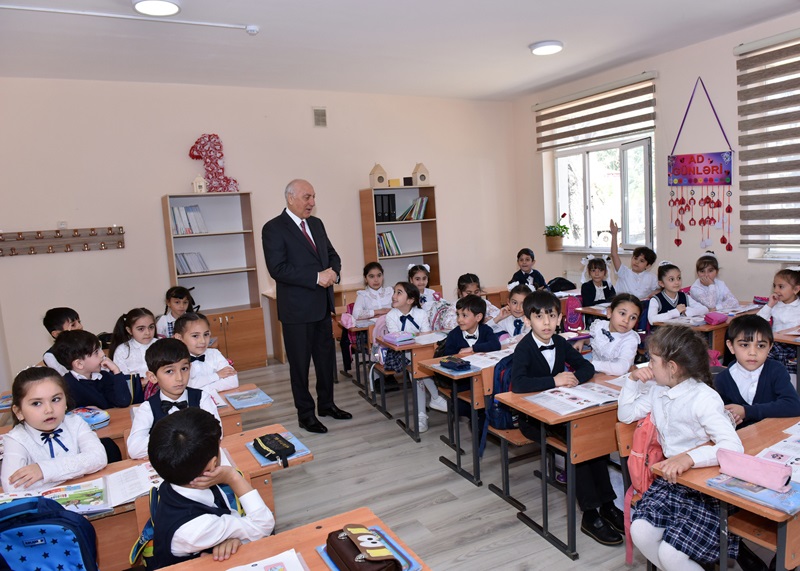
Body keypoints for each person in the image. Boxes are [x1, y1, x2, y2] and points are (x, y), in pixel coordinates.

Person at [618, 325, 744, 571]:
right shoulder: (658, 390)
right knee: (639, 531)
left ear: (672, 367)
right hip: (673, 482)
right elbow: (626, 414)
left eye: (652, 360)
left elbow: (732, 447)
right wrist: (631, 380)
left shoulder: (703, 398)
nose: (648, 365)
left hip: (706, 489)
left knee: (671, 555)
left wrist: (689, 458)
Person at [510, 290, 623, 546]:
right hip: (533, 419)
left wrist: (571, 381)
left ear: (560, 318)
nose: (546, 322)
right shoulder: (524, 347)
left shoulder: (559, 342)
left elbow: (587, 367)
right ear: (527, 320)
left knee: (592, 441)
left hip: (561, 411)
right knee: (579, 444)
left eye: (551, 316)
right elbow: (519, 384)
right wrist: (554, 381)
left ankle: (607, 505)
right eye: (539, 317)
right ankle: (590, 514)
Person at [262, 179, 350, 434]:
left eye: (313, 197)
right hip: (296, 311)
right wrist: (315, 277)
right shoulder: (273, 228)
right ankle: (306, 414)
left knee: (325, 360)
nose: (312, 202)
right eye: (307, 197)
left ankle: (327, 405)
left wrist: (334, 272)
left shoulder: (317, 224)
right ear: (291, 198)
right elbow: (278, 269)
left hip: (322, 306)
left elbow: (332, 254)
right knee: (300, 366)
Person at [147, 407, 274, 568]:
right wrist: (232, 476)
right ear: (212, 464)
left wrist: (234, 537)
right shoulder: (195, 529)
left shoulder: (180, 479)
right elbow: (264, 525)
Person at [1, 367, 107, 492]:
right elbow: (13, 487)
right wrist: (78, 470)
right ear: (19, 411)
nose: (49, 410)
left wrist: (43, 470)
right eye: (36, 403)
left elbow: (99, 457)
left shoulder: (76, 423)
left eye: (56, 399)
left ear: (66, 401)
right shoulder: (15, 440)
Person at [127, 338, 222, 459]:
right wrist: (184, 437)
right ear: (152, 377)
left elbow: (216, 433)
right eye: (169, 371)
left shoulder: (202, 398)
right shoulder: (147, 408)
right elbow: (134, 449)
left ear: (190, 368)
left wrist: (162, 445)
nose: (179, 378)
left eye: (184, 369)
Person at [716, 314, 800, 429]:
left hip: (772, 433)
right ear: (731, 346)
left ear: (769, 347)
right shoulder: (722, 380)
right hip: (741, 437)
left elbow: (794, 405)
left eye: (760, 346)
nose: (753, 352)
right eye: (744, 345)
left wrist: (747, 411)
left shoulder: (776, 370)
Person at [384, 281, 443, 432]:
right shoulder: (391, 315)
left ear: (410, 300)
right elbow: (397, 338)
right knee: (417, 367)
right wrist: (416, 336)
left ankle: (421, 415)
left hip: (419, 353)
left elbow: (427, 335)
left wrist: (412, 337)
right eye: (394, 292)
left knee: (416, 371)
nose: (394, 296)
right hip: (399, 354)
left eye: (399, 293)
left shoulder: (421, 313)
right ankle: (435, 397)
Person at [52, 329, 142, 409]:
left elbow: (123, 402)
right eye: (96, 352)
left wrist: (116, 371)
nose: (102, 354)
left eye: (100, 349)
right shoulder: (66, 386)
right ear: (79, 364)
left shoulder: (104, 376)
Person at [341, 262, 393, 376]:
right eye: (371, 276)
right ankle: (377, 376)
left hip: (390, 330)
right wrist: (379, 311)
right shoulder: (363, 295)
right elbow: (356, 314)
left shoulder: (390, 292)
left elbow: (398, 308)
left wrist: (376, 314)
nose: (376, 280)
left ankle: (392, 369)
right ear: (366, 279)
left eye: (379, 275)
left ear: (383, 276)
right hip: (368, 334)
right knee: (377, 349)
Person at [173, 313, 238, 392]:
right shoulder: (175, 361)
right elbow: (186, 386)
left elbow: (233, 382)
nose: (203, 341)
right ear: (179, 338)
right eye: (195, 336)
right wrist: (216, 376)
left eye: (206, 334)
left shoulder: (215, 354)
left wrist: (200, 390)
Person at [757, 268, 800, 376]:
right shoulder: (776, 305)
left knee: (790, 371)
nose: (776, 290)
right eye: (774, 286)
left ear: (796, 289)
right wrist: (770, 305)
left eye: (781, 286)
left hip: (793, 346)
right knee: (763, 357)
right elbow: (758, 321)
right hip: (776, 344)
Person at [110, 308, 158, 399]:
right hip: (135, 394)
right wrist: (141, 382)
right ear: (129, 330)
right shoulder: (122, 350)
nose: (147, 332)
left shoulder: (161, 344)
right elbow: (123, 381)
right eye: (141, 329)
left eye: (151, 327)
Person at [589, 293, 642, 376]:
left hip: (616, 379)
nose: (626, 321)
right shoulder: (601, 325)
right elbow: (595, 338)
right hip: (595, 375)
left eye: (633, 318)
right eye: (622, 313)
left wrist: (592, 363)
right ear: (610, 312)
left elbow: (621, 369)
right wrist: (584, 340)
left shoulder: (631, 339)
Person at [609, 219, 659, 300]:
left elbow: (661, 288)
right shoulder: (624, 272)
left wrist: (654, 294)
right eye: (635, 258)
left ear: (648, 265)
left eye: (641, 261)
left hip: (641, 305)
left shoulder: (652, 278)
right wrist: (614, 235)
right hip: (622, 303)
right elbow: (614, 254)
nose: (636, 262)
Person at [42, 307, 83, 375]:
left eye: (79, 322)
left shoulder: (89, 344)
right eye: (73, 325)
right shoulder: (50, 356)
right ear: (56, 334)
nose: (80, 326)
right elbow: (65, 376)